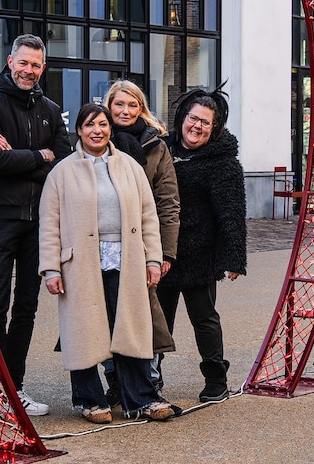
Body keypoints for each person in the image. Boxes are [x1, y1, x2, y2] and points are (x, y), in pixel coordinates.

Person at [39, 103, 175, 423]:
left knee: (128, 328)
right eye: (89, 125)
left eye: (102, 124)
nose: (96, 130)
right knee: (84, 331)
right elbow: (49, 223)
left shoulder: (129, 166)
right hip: (79, 263)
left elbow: (148, 217)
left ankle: (142, 398)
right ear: (79, 130)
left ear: (109, 128)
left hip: (125, 259)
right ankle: (90, 399)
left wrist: (153, 259)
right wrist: (51, 268)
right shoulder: (62, 171)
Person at [0, 34, 70, 416]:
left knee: (26, 306)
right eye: (23, 63)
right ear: (10, 61)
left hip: (38, 221)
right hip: (1, 217)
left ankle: (15, 387)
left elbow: (61, 162)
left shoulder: (50, 109)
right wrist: (37, 157)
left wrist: (21, 157)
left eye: (35, 65)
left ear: (42, 68)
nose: (28, 71)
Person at [160, 86, 247, 402]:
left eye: (205, 123)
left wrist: (234, 257)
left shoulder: (221, 162)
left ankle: (216, 379)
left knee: (204, 318)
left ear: (215, 127)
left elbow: (232, 212)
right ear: (182, 117)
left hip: (200, 253)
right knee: (158, 320)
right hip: (164, 252)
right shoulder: (161, 149)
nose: (196, 126)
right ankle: (150, 379)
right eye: (193, 119)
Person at [102, 80, 179, 401]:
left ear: (141, 109)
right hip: (104, 244)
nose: (125, 110)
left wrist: (167, 252)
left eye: (132, 105)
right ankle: (116, 383)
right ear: (109, 106)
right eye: (119, 104)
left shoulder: (156, 146)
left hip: (144, 244)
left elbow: (168, 201)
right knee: (106, 312)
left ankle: (150, 377)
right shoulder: (96, 139)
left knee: (146, 313)